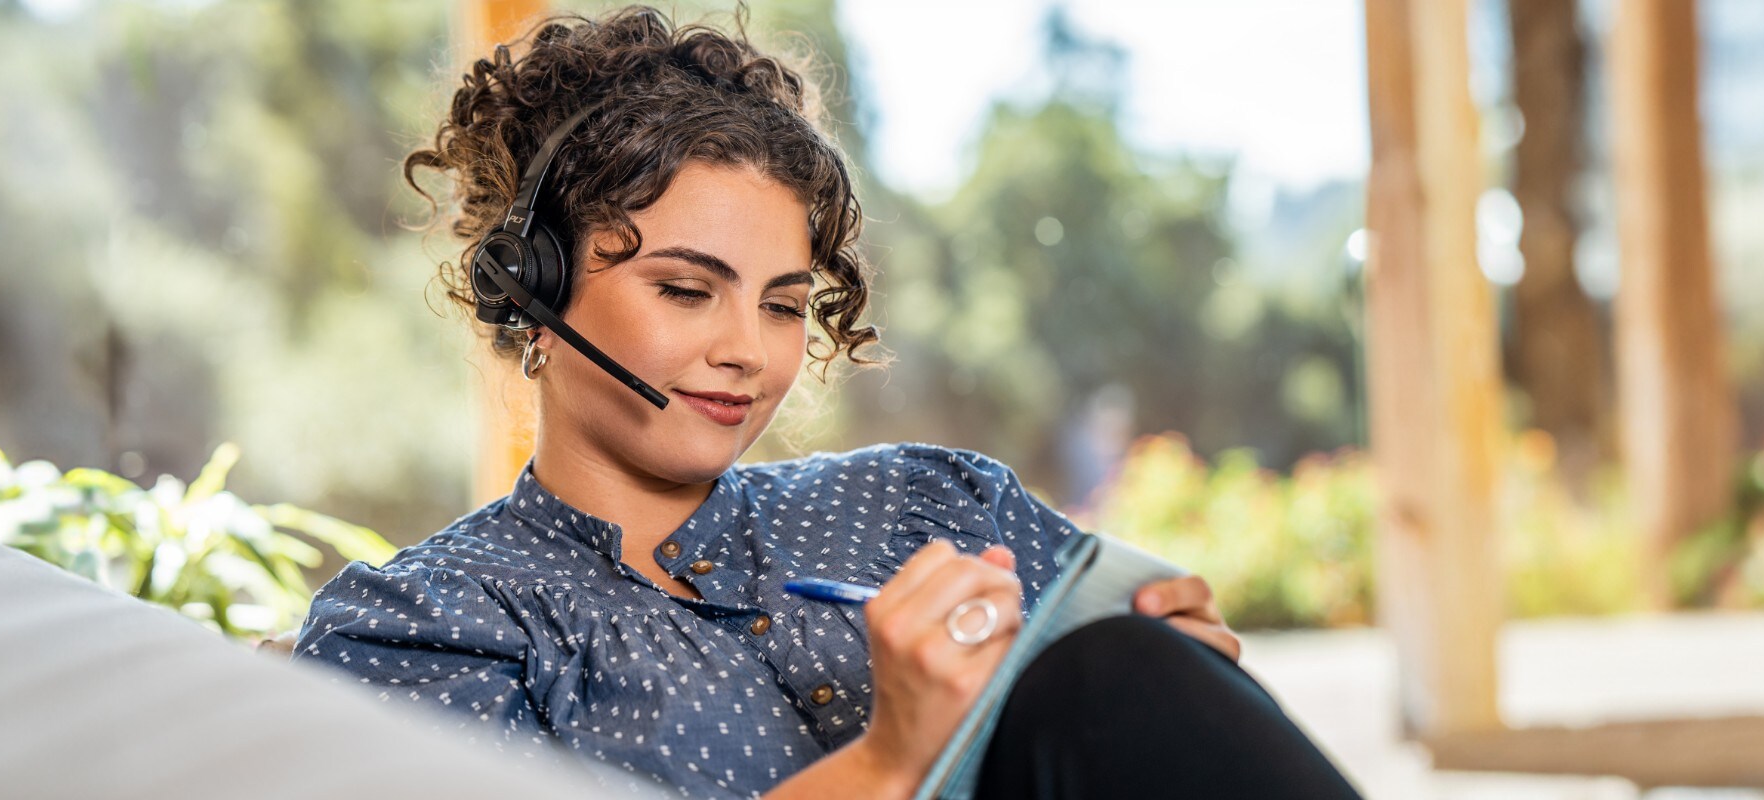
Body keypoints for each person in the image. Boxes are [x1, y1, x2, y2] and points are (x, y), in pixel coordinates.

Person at [288, 7, 1359, 799]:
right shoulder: (424, 624)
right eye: (684, 288)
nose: (746, 353)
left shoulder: (931, 501)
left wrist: (1176, 668)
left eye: (783, 304)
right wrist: (890, 755)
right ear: (528, 284)